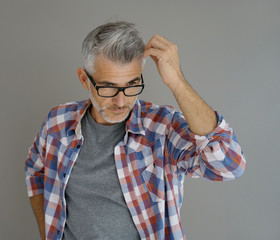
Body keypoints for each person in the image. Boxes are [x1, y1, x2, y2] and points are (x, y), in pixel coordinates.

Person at [24, 21, 246, 240]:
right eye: (108, 87)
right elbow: (35, 171)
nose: (121, 101)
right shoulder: (57, 123)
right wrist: (48, 233)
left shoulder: (162, 128)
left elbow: (229, 164)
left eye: (132, 85)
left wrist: (176, 81)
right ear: (84, 79)